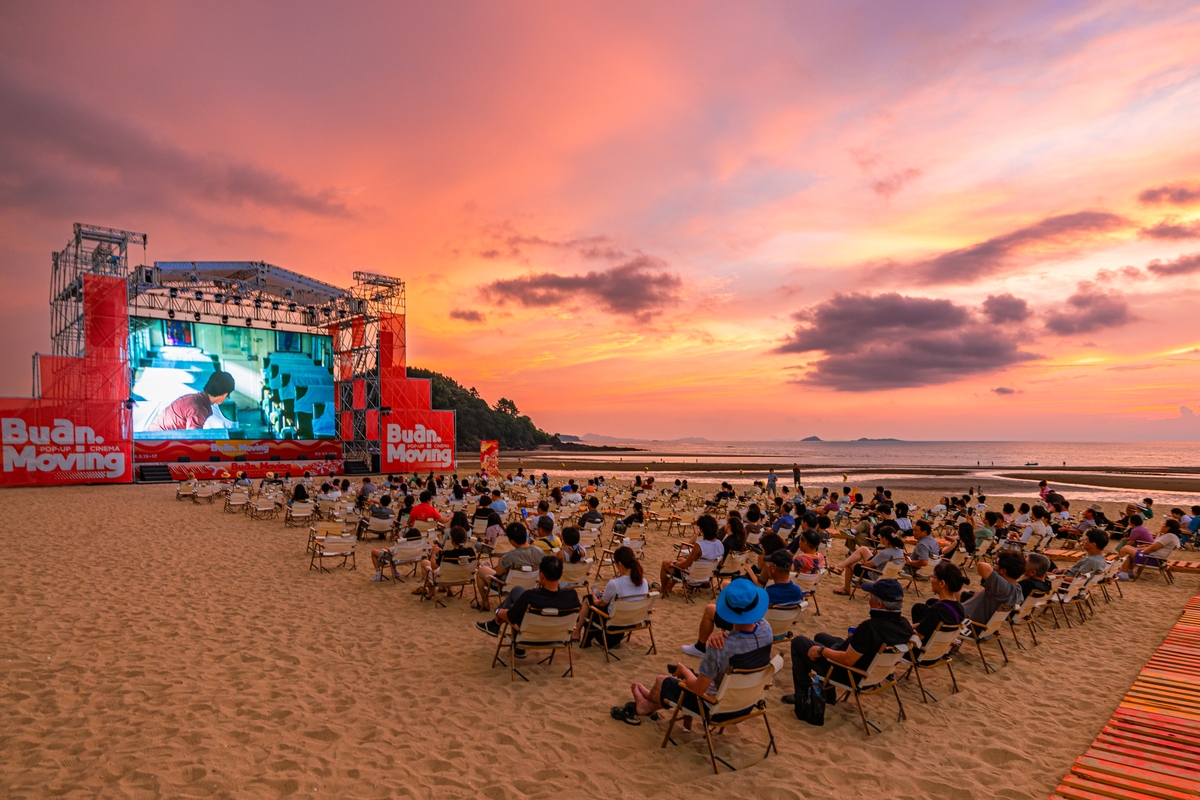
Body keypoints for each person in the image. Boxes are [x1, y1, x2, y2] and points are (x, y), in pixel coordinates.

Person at [623, 579, 773, 726]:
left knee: (662, 682)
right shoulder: (766, 630)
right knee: (689, 680)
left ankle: (646, 702)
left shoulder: (720, 648)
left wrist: (685, 671)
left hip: (718, 709)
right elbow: (743, 639)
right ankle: (647, 705)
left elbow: (697, 690)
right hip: (747, 702)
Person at [782, 579, 913, 714]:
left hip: (849, 673)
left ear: (879, 604)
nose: (869, 598)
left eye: (871, 596)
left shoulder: (870, 628)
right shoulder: (904, 625)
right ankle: (828, 696)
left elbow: (848, 660)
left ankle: (804, 696)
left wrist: (822, 651)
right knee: (821, 637)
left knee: (799, 642)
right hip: (874, 674)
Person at [681, 549, 803, 658]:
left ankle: (700, 647)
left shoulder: (768, 593)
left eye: (768, 564)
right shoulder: (798, 591)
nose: (767, 566)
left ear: (774, 568)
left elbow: (750, 615)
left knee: (710, 609)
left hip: (756, 632)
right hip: (780, 632)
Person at [475, 556, 581, 646]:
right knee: (517, 590)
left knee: (518, 606)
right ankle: (494, 626)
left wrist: (499, 612)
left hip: (528, 638)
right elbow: (576, 619)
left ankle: (494, 625)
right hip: (557, 638)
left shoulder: (531, 597)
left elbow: (510, 616)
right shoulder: (571, 596)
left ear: (541, 575)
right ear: (562, 573)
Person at [573, 545, 647, 641]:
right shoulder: (643, 581)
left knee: (588, 599)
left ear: (620, 564)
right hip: (632, 620)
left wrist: (595, 600)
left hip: (614, 622)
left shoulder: (615, 583)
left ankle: (576, 633)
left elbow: (601, 603)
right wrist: (609, 594)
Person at [472, 524, 545, 612]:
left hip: (507, 587)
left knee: (481, 570)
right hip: (531, 585)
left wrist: (500, 562)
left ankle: (485, 603)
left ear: (512, 541)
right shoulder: (539, 551)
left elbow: (498, 573)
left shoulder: (511, 555)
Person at [147, 370, 237, 431]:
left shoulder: (195, 398)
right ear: (224, 395)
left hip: (154, 436)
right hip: (157, 441)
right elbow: (194, 439)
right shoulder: (199, 409)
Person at [658, 514, 724, 597]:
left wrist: (674, 565)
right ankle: (669, 587)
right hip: (706, 577)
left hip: (692, 578)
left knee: (666, 563)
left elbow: (686, 565)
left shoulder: (699, 546)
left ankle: (662, 589)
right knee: (681, 559)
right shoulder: (720, 544)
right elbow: (720, 563)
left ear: (702, 530)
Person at [831, 530, 905, 596]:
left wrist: (864, 563)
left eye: (880, 537)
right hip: (889, 575)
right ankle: (840, 566)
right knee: (863, 549)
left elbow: (869, 565)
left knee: (850, 564)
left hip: (875, 574)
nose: (879, 538)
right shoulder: (899, 551)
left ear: (885, 539)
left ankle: (846, 588)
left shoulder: (885, 553)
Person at [910, 561, 967, 644]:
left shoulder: (935, 611)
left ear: (942, 583)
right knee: (920, 607)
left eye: (933, 576)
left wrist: (904, 629)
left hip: (921, 653)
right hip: (939, 650)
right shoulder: (959, 607)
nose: (931, 579)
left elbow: (916, 639)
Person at [962, 551, 1025, 624]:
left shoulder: (1003, 587)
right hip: (978, 625)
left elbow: (981, 565)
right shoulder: (1017, 589)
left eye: (996, 564)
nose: (993, 566)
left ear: (1003, 571)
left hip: (964, 622)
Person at [416, 525, 477, 598]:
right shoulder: (471, 551)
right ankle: (449, 588)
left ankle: (431, 591)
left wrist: (434, 553)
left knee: (424, 562)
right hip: (464, 577)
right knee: (450, 569)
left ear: (452, 541)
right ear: (465, 539)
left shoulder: (446, 554)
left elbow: (433, 567)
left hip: (445, 578)